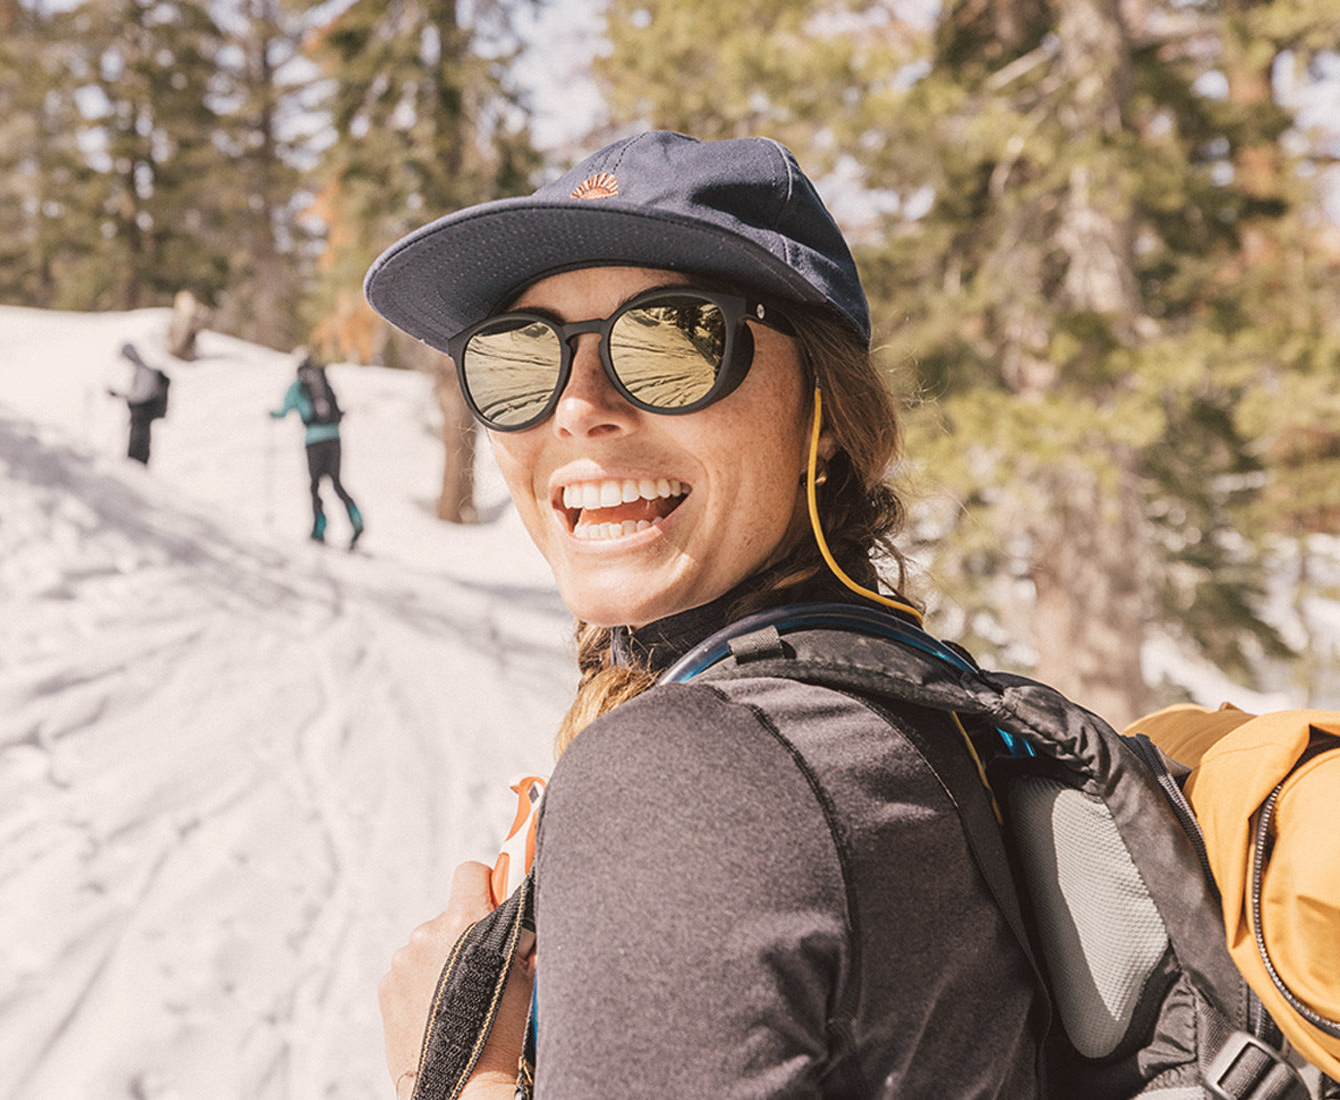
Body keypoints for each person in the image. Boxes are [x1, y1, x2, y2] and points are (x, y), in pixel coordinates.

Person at [365, 131, 1041, 1097]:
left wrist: (453, 1073)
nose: (577, 408)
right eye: (518, 361)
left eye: (673, 340)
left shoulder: (692, 770)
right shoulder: (902, 704)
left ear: (822, 414)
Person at [269, 348, 364, 547]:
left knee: (315, 485)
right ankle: (355, 517)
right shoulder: (323, 379)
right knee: (337, 482)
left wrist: (273, 416)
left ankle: (319, 526)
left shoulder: (298, 385)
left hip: (314, 440)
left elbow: (285, 409)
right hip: (334, 436)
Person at [107, 341, 170, 465]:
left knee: (139, 441)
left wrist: (121, 395)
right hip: (140, 413)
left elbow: (140, 394)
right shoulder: (141, 370)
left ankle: (137, 464)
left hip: (142, 413)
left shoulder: (144, 372)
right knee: (138, 439)